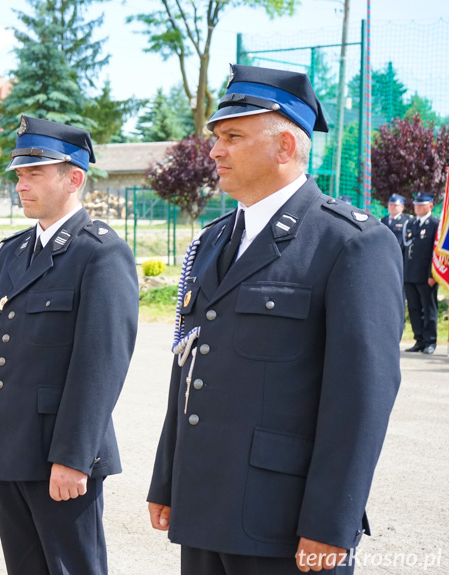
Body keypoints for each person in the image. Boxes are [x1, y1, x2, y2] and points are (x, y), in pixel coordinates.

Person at [147, 65, 404, 575]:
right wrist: (168, 480)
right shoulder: (213, 241)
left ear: (286, 147)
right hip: (204, 506)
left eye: (233, 137)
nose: (215, 151)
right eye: (217, 137)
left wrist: (331, 524)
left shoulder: (350, 244)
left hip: (282, 521)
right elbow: (190, 367)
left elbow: (360, 399)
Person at [0, 115, 139, 574]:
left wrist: (74, 458)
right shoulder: (11, 253)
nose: (21, 184)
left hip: (58, 455)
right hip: (6, 448)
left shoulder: (98, 253)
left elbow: (99, 367)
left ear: (73, 178)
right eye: (19, 174)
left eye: (34, 173)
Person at [403, 193, 439, 354]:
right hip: (410, 273)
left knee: (429, 309)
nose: (417, 207)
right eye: (416, 204)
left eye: (421, 205)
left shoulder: (435, 224)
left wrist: (433, 274)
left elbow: (436, 252)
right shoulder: (411, 223)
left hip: (427, 275)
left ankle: (430, 341)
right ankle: (419, 340)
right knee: (414, 308)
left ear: (430, 206)